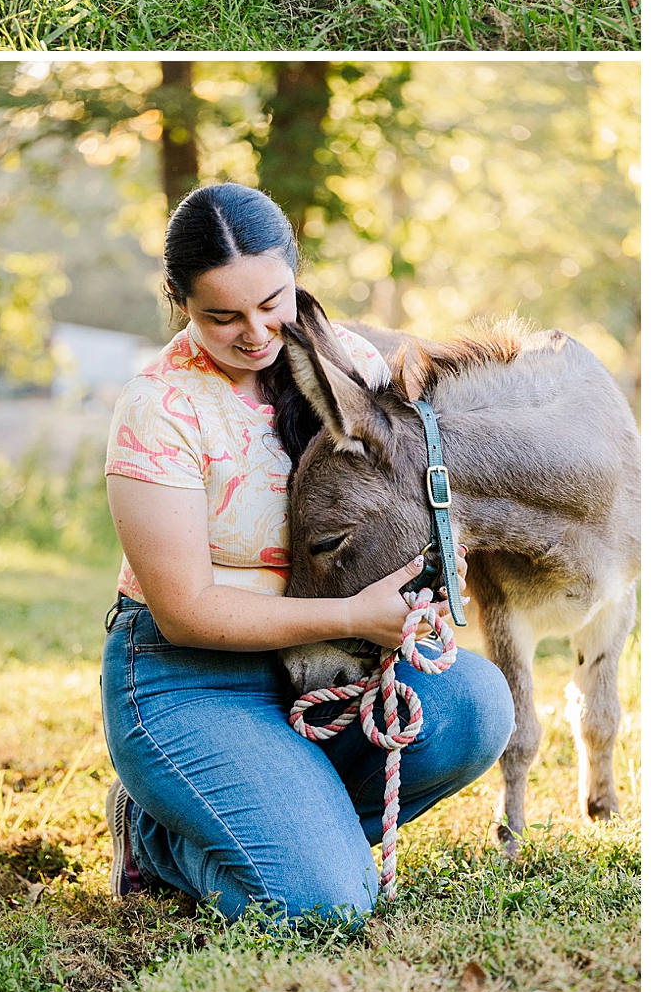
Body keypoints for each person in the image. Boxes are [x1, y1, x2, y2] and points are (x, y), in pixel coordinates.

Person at [99, 183, 513, 923]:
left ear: (294, 271)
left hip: (327, 669)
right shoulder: (159, 408)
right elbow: (186, 612)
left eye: (271, 302)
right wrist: (353, 611)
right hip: (193, 678)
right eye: (221, 316)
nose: (256, 333)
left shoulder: (346, 363)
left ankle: (293, 826)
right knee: (321, 906)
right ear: (179, 300)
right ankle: (155, 836)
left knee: (478, 706)